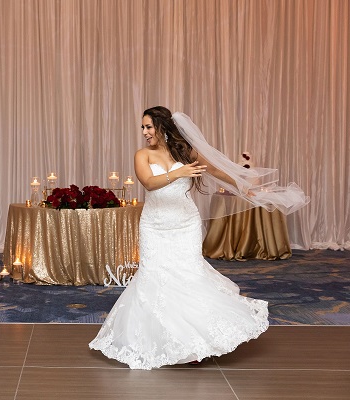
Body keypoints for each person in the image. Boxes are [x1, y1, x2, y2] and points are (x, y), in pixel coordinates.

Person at [89, 106, 308, 369]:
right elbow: (148, 183)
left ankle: (194, 343)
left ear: (161, 126)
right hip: (155, 225)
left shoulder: (185, 152)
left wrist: (243, 186)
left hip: (185, 223)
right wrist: (177, 173)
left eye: (148, 127)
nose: (145, 132)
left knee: (188, 274)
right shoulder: (142, 155)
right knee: (154, 275)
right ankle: (157, 341)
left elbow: (215, 171)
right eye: (143, 128)